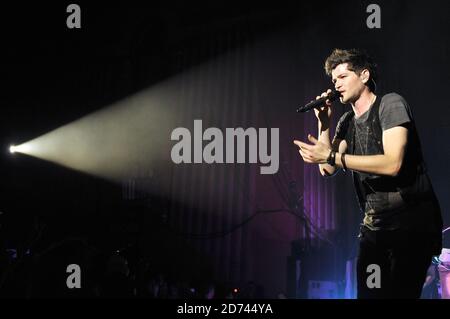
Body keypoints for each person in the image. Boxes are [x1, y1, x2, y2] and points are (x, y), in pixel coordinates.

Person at [293, 48, 443, 299]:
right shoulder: (347, 122)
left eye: (342, 77)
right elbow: (327, 168)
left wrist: (332, 157)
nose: (336, 84)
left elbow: (393, 164)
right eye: (333, 80)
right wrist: (324, 124)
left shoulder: (390, 104)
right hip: (375, 228)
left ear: (364, 75)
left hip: (412, 223)